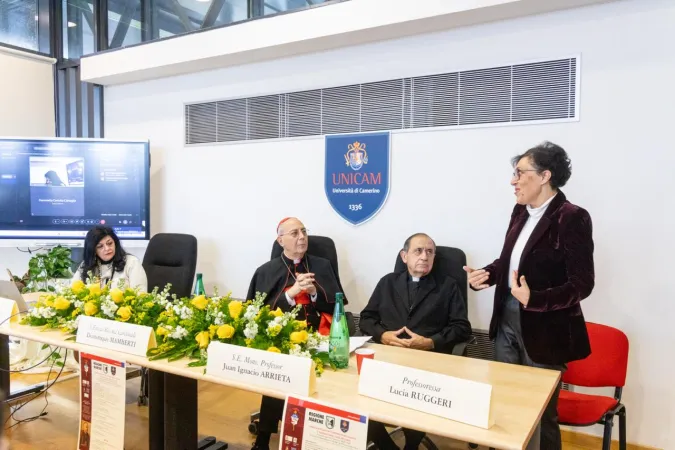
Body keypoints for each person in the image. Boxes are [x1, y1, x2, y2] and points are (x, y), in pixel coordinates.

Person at [463, 141, 594, 450]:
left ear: (545, 175)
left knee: (540, 414)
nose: (513, 180)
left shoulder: (572, 217)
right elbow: (511, 262)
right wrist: (489, 274)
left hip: (546, 332)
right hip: (506, 322)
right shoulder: (520, 211)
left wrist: (535, 299)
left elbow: (582, 284)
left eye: (520, 173)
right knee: (507, 406)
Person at [360, 233, 471, 450]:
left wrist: (430, 342)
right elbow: (366, 319)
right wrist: (383, 335)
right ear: (404, 256)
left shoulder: (447, 286)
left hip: (427, 361)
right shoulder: (387, 283)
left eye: (430, 252)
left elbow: (461, 328)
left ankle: (411, 446)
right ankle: (386, 446)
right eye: (418, 251)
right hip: (388, 358)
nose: (424, 256)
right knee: (359, 397)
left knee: (419, 401)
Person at [247, 217, 346, 450]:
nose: (302, 237)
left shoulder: (322, 266)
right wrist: (291, 294)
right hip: (281, 339)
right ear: (280, 240)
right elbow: (256, 314)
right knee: (278, 370)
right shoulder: (266, 271)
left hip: (319, 336)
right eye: (294, 233)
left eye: (303, 231)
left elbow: (338, 305)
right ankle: (263, 440)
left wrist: (314, 293)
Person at [72, 225, 148, 292]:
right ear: (93, 250)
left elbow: (140, 296)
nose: (107, 248)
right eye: (100, 246)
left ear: (115, 243)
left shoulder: (131, 262)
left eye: (110, 243)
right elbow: (72, 291)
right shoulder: (86, 265)